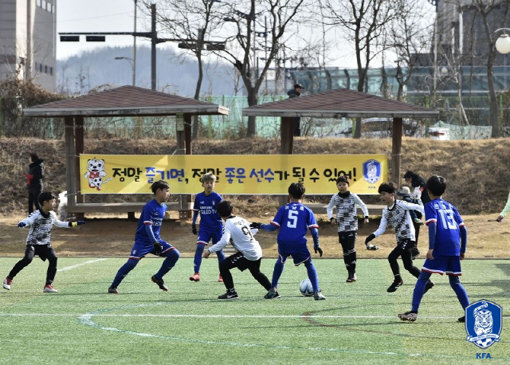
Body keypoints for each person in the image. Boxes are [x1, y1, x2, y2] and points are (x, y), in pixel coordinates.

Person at [399, 175, 469, 322]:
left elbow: (433, 225)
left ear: (428, 191)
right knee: (455, 282)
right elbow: (464, 230)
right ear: (444, 191)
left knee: (422, 278)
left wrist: (431, 248)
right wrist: (462, 249)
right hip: (454, 247)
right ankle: (470, 313)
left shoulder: (429, 206)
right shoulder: (451, 207)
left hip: (440, 247)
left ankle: (413, 312)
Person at [251, 182, 326, 300]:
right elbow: (314, 231)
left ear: (289, 195)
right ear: (303, 196)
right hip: (298, 242)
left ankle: (273, 288)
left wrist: (260, 225)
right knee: (309, 263)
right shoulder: (307, 211)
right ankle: (316, 292)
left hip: (283, 241)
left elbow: (272, 227)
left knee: (280, 261)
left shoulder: (283, 209)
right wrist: (316, 245)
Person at [2, 192, 84, 293]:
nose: (54, 204)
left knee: (53, 258)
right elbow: (29, 219)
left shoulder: (52, 215)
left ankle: (48, 285)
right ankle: (9, 279)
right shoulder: (36, 214)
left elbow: (60, 224)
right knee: (27, 259)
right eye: (52, 202)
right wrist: (23, 223)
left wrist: (75, 223)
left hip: (45, 244)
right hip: (33, 243)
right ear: (45, 203)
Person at [108, 180, 180, 294]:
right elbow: (148, 227)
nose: (168, 194)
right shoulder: (149, 206)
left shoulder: (164, 207)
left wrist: (156, 242)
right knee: (131, 264)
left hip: (156, 240)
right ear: (159, 191)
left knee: (175, 254)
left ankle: (158, 277)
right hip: (143, 241)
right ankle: (113, 287)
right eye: (167, 191)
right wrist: (154, 242)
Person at [365, 182, 434, 293]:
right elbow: (382, 229)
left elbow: (418, 207)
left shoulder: (402, 204)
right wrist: (371, 236)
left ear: (392, 194)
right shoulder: (386, 211)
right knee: (408, 266)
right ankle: (428, 282)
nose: (382, 197)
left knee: (391, 257)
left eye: (384, 194)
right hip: (401, 239)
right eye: (381, 194)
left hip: (409, 237)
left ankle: (398, 280)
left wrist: (432, 216)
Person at [203, 200, 272, 300]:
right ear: (233, 210)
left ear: (220, 215)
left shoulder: (228, 224)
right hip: (257, 250)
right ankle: (273, 291)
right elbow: (254, 229)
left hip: (248, 253)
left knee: (223, 266)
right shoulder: (241, 219)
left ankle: (231, 292)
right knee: (256, 273)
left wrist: (209, 250)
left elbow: (224, 241)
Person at [326, 175, 370, 283]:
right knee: (345, 251)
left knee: (351, 249)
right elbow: (329, 207)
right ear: (337, 186)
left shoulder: (353, 196)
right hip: (341, 227)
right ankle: (349, 272)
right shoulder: (335, 197)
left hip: (352, 226)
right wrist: (331, 217)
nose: (342, 187)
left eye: (344, 184)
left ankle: (353, 272)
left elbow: (363, 205)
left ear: (348, 185)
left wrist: (366, 216)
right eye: (339, 185)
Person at [189, 172, 225, 282]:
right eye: (206, 182)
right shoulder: (198, 197)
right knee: (199, 247)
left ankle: (222, 274)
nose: (209, 185)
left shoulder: (218, 197)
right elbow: (196, 212)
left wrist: (227, 224)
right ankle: (196, 273)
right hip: (204, 228)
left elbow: (224, 212)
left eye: (211, 182)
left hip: (217, 228)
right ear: (203, 184)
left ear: (214, 184)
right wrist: (194, 224)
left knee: (219, 251)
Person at [397, 185, 424, 259]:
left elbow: (411, 210)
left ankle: (414, 252)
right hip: (413, 220)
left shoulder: (407, 200)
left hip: (412, 221)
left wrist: (415, 218)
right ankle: (411, 253)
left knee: (409, 238)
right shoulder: (410, 199)